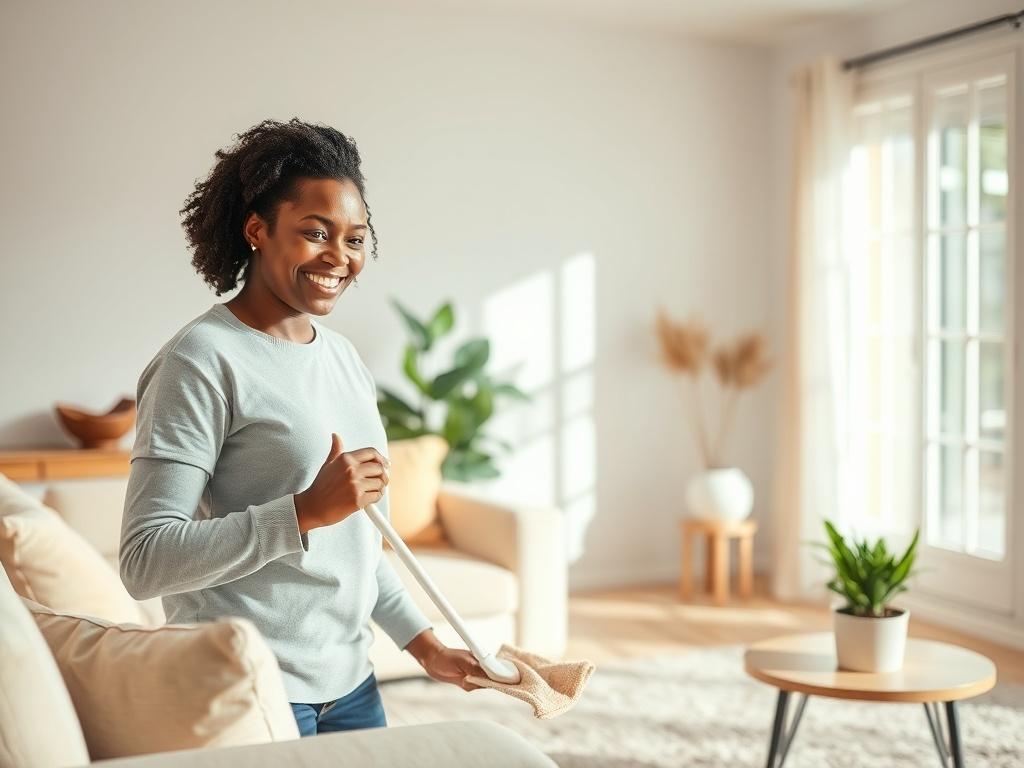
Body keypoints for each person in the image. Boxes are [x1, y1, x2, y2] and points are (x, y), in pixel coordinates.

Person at [119, 117, 487, 738]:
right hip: (246, 687)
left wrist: (425, 648)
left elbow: (361, 546)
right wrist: (302, 513)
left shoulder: (342, 357)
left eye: (355, 238)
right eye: (315, 233)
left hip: (351, 685)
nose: (338, 257)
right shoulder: (200, 361)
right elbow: (145, 560)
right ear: (257, 230)